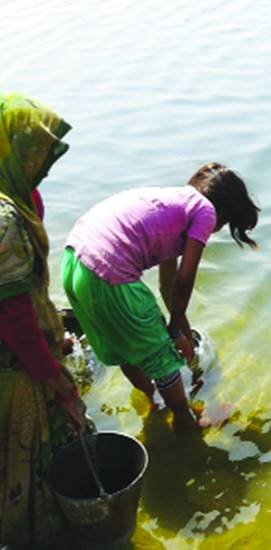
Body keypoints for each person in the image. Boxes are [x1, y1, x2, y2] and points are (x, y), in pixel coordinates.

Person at [62, 162, 260, 431]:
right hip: (110, 272)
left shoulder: (172, 205)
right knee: (161, 355)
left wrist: (183, 330)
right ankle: (185, 420)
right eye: (223, 224)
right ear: (224, 212)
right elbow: (185, 279)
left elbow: (168, 285)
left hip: (75, 260)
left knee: (124, 350)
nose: (215, 229)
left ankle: (153, 402)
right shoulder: (205, 211)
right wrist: (174, 331)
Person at [0, 92, 87, 547]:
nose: (44, 165)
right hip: (14, 364)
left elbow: (26, 288)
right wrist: (59, 384)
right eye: (35, 153)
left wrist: (55, 333)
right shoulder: (4, 220)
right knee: (33, 454)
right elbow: (13, 318)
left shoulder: (21, 194)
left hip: (27, 348)